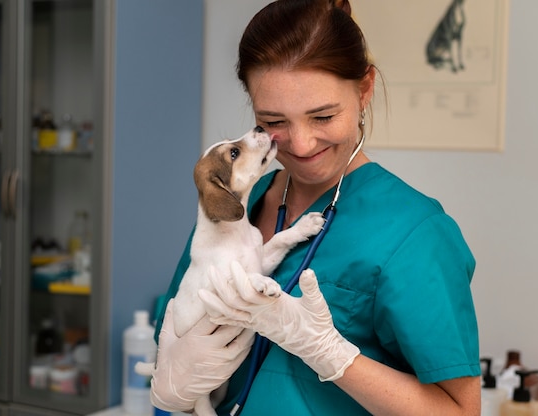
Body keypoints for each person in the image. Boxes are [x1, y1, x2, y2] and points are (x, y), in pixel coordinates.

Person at [151, 0, 481, 415]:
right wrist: (172, 394)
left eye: (323, 116)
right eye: (274, 121)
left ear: (364, 90)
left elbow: (460, 412)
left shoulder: (416, 232)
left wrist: (333, 356)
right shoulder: (236, 210)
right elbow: (174, 334)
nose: (302, 144)